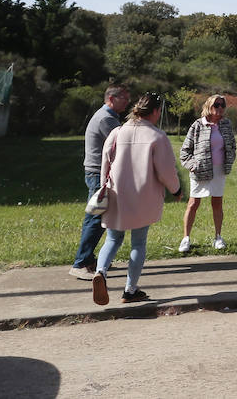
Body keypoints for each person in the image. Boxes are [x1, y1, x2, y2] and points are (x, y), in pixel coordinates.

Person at [92, 91, 183, 306]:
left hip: (116, 195)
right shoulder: (157, 136)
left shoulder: (117, 131)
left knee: (113, 239)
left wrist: (103, 186)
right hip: (144, 197)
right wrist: (176, 190)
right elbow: (167, 172)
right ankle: (130, 290)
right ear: (154, 111)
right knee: (139, 242)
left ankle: (101, 272)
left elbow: (106, 163)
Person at [69, 85, 131, 280]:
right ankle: (80, 263)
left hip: (96, 172)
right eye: (124, 98)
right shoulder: (106, 119)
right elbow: (122, 144)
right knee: (96, 218)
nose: (127, 101)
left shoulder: (107, 116)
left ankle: (88, 259)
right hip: (98, 174)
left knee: (96, 217)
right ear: (111, 99)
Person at [178, 94, 237, 253]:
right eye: (216, 105)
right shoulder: (198, 125)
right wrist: (192, 165)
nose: (220, 108)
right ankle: (186, 239)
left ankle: (218, 237)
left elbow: (232, 144)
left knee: (217, 203)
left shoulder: (226, 124)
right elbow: (184, 151)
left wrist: (230, 159)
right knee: (193, 204)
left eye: (222, 105)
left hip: (219, 171)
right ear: (209, 106)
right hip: (200, 171)